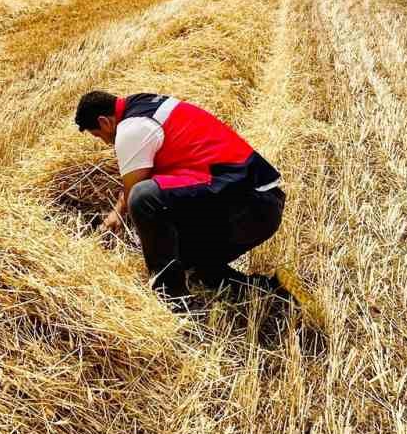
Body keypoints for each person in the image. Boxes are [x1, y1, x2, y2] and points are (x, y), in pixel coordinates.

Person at [75, 90, 287, 303]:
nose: (104, 142)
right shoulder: (142, 105)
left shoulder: (130, 129)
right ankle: (271, 291)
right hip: (258, 199)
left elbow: (135, 194)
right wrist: (117, 213)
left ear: (104, 122)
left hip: (251, 207)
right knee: (188, 264)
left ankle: (170, 298)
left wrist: (119, 216)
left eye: (98, 135)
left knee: (144, 197)